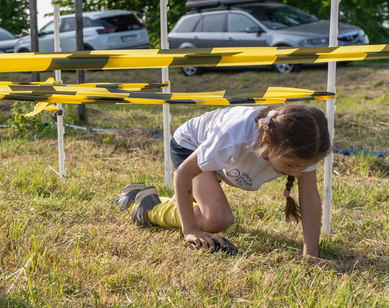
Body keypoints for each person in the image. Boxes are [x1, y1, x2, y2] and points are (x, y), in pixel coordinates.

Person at [113, 104, 335, 267]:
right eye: (291, 165)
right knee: (217, 218)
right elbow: (183, 175)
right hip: (191, 146)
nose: (297, 173)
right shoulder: (233, 138)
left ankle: (146, 198)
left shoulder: (305, 146)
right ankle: (149, 209)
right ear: (267, 142)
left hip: (218, 158)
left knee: (203, 204)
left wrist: (310, 254)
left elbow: (309, 198)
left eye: (303, 166)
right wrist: (190, 230)